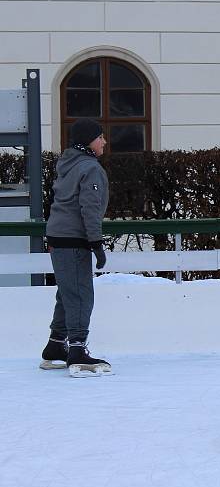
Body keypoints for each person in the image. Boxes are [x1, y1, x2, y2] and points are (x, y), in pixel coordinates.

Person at [41, 118, 112, 377]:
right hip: (73, 239)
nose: (104, 141)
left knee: (68, 292)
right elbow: (89, 208)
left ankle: (56, 345)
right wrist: (96, 242)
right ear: (88, 141)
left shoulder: (68, 164)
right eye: (100, 136)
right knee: (80, 294)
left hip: (58, 237)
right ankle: (78, 349)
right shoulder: (89, 168)